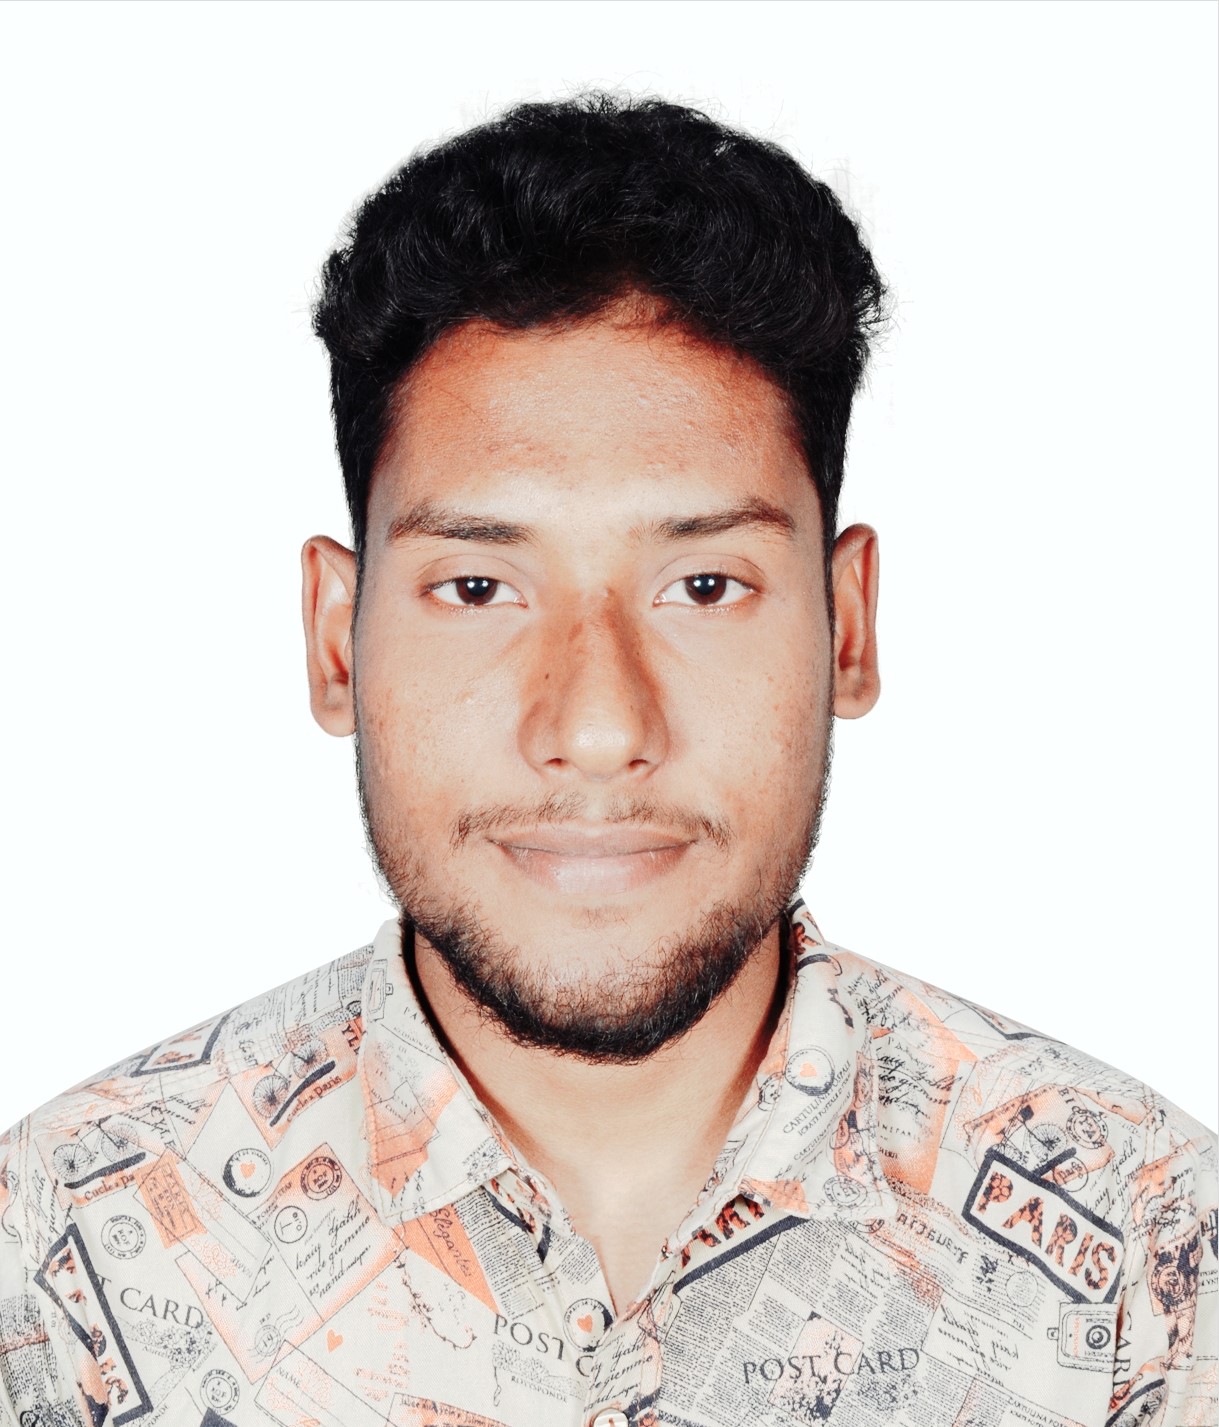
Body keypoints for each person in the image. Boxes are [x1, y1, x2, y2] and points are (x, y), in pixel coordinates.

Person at [0, 94, 1212, 1427]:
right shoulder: (52, 1259)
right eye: (478, 588)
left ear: (847, 627)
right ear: (337, 644)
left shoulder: (1151, 1258)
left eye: (703, 586)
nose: (595, 726)